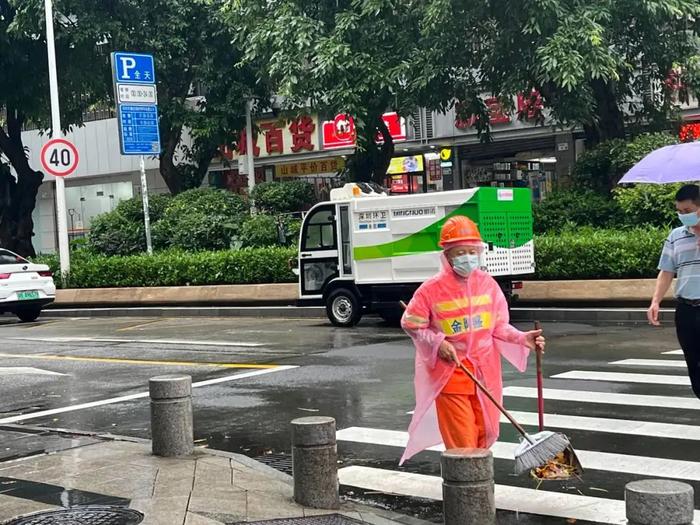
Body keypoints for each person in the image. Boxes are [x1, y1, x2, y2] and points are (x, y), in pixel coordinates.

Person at [399, 215, 544, 464]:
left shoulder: (487, 285)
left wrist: (522, 338)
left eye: (471, 250)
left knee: (485, 433)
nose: (467, 257)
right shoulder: (430, 289)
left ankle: (478, 487)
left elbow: (497, 325)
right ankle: (467, 494)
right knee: (463, 442)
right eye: (460, 252)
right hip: (453, 374)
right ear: (448, 255)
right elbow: (411, 323)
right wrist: (437, 342)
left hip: (485, 374)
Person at [647, 184, 700, 400]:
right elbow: (666, 271)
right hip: (686, 310)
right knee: (694, 363)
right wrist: (656, 301)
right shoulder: (676, 236)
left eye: (687, 211)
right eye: (679, 211)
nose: (682, 216)